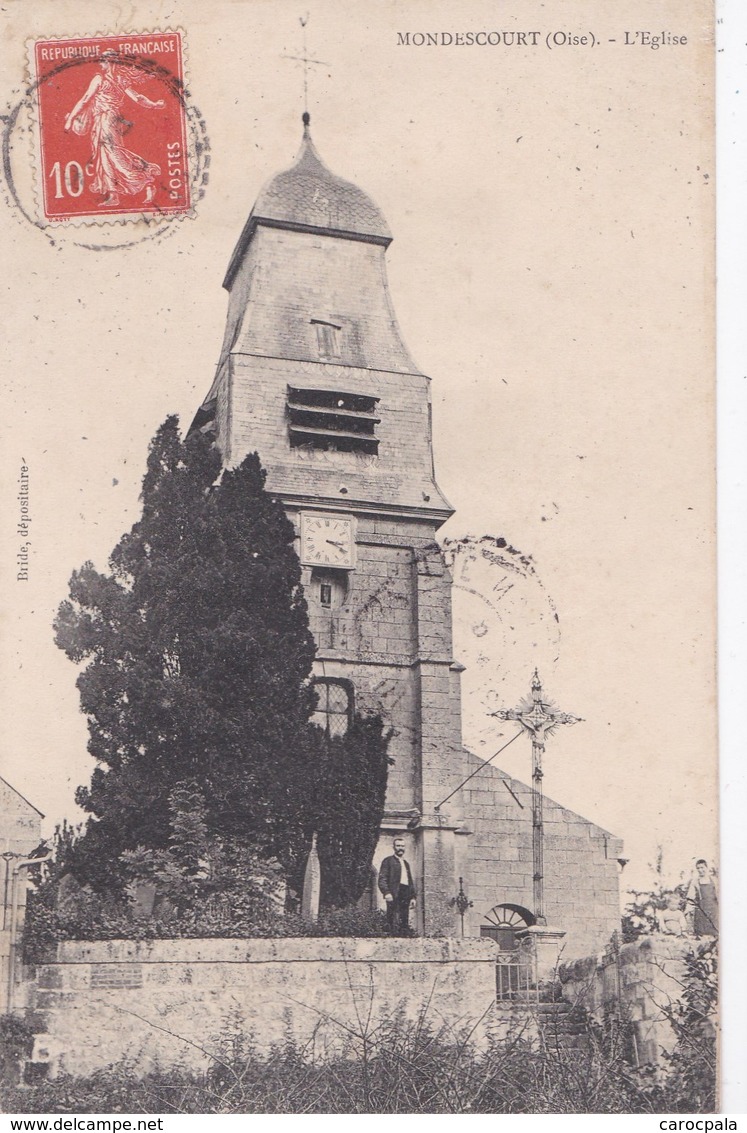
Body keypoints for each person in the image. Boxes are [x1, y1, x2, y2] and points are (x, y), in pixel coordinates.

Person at [64, 52, 164, 207]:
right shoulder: (121, 80)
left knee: (111, 154)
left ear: (109, 62)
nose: (100, 64)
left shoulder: (100, 79)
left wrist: (71, 119)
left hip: (105, 119)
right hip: (110, 119)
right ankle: (114, 195)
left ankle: (145, 180)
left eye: (103, 61)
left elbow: (85, 100)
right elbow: (138, 98)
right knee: (107, 155)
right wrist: (154, 104)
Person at [377, 837, 416, 935]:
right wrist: (386, 892)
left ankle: (404, 938)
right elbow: (382, 878)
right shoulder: (388, 861)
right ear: (394, 847)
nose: (400, 848)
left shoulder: (406, 863)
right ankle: (392, 937)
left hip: (405, 891)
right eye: (398, 846)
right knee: (392, 918)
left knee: (404, 918)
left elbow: (409, 881)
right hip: (394, 892)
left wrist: (413, 897)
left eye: (402, 846)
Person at [685, 858, 719, 938]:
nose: (700, 870)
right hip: (701, 912)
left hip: (713, 911)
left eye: (702, 867)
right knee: (702, 936)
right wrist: (688, 910)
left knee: (715, 934)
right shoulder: (695, 881)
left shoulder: (714, 880)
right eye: (698, 868)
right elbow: (691, 898)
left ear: (706, 868)